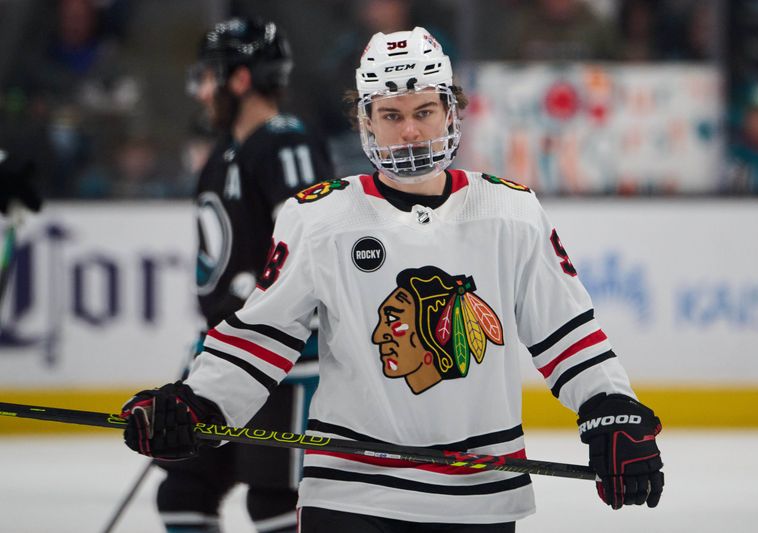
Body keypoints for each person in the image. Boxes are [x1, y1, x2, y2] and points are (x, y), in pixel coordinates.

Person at [121, 27, 664, 531]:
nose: (408, 130)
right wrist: (199, 401)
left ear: (452, 113)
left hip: (479, 496)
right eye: (390, 114)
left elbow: (567, 333)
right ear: (365, 120)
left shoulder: (510, 211)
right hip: (351, 496)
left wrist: (607, 406)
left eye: (425, 111)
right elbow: (262, 335)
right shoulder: (320, 217)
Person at [144, 18, 332, 533]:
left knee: (276, 501)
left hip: (285, 362)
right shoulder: (225, 153)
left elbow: (316, 243)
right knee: (185, 488)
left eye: (210, 76)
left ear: (242, 79)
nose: (203, 91)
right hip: (226, 357)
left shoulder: (285, 142)